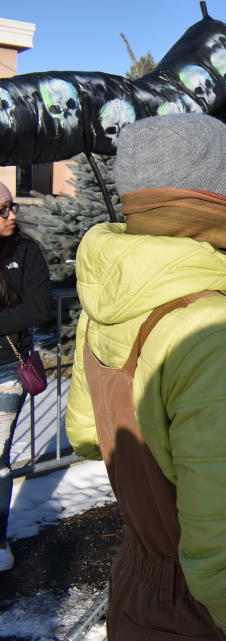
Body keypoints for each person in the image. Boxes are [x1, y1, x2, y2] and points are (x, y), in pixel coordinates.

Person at [65, 115, 226, 641]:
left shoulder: (110, 297)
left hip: (137, 589)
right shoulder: (219, 333)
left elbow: (88, 434)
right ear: (224, 202)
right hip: (215, 618)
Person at [0, 182, 51, 572]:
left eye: (11, 206)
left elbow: (39, 307)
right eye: (2, 210)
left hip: (6, 372)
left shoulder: (25, 251)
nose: (11, 215)